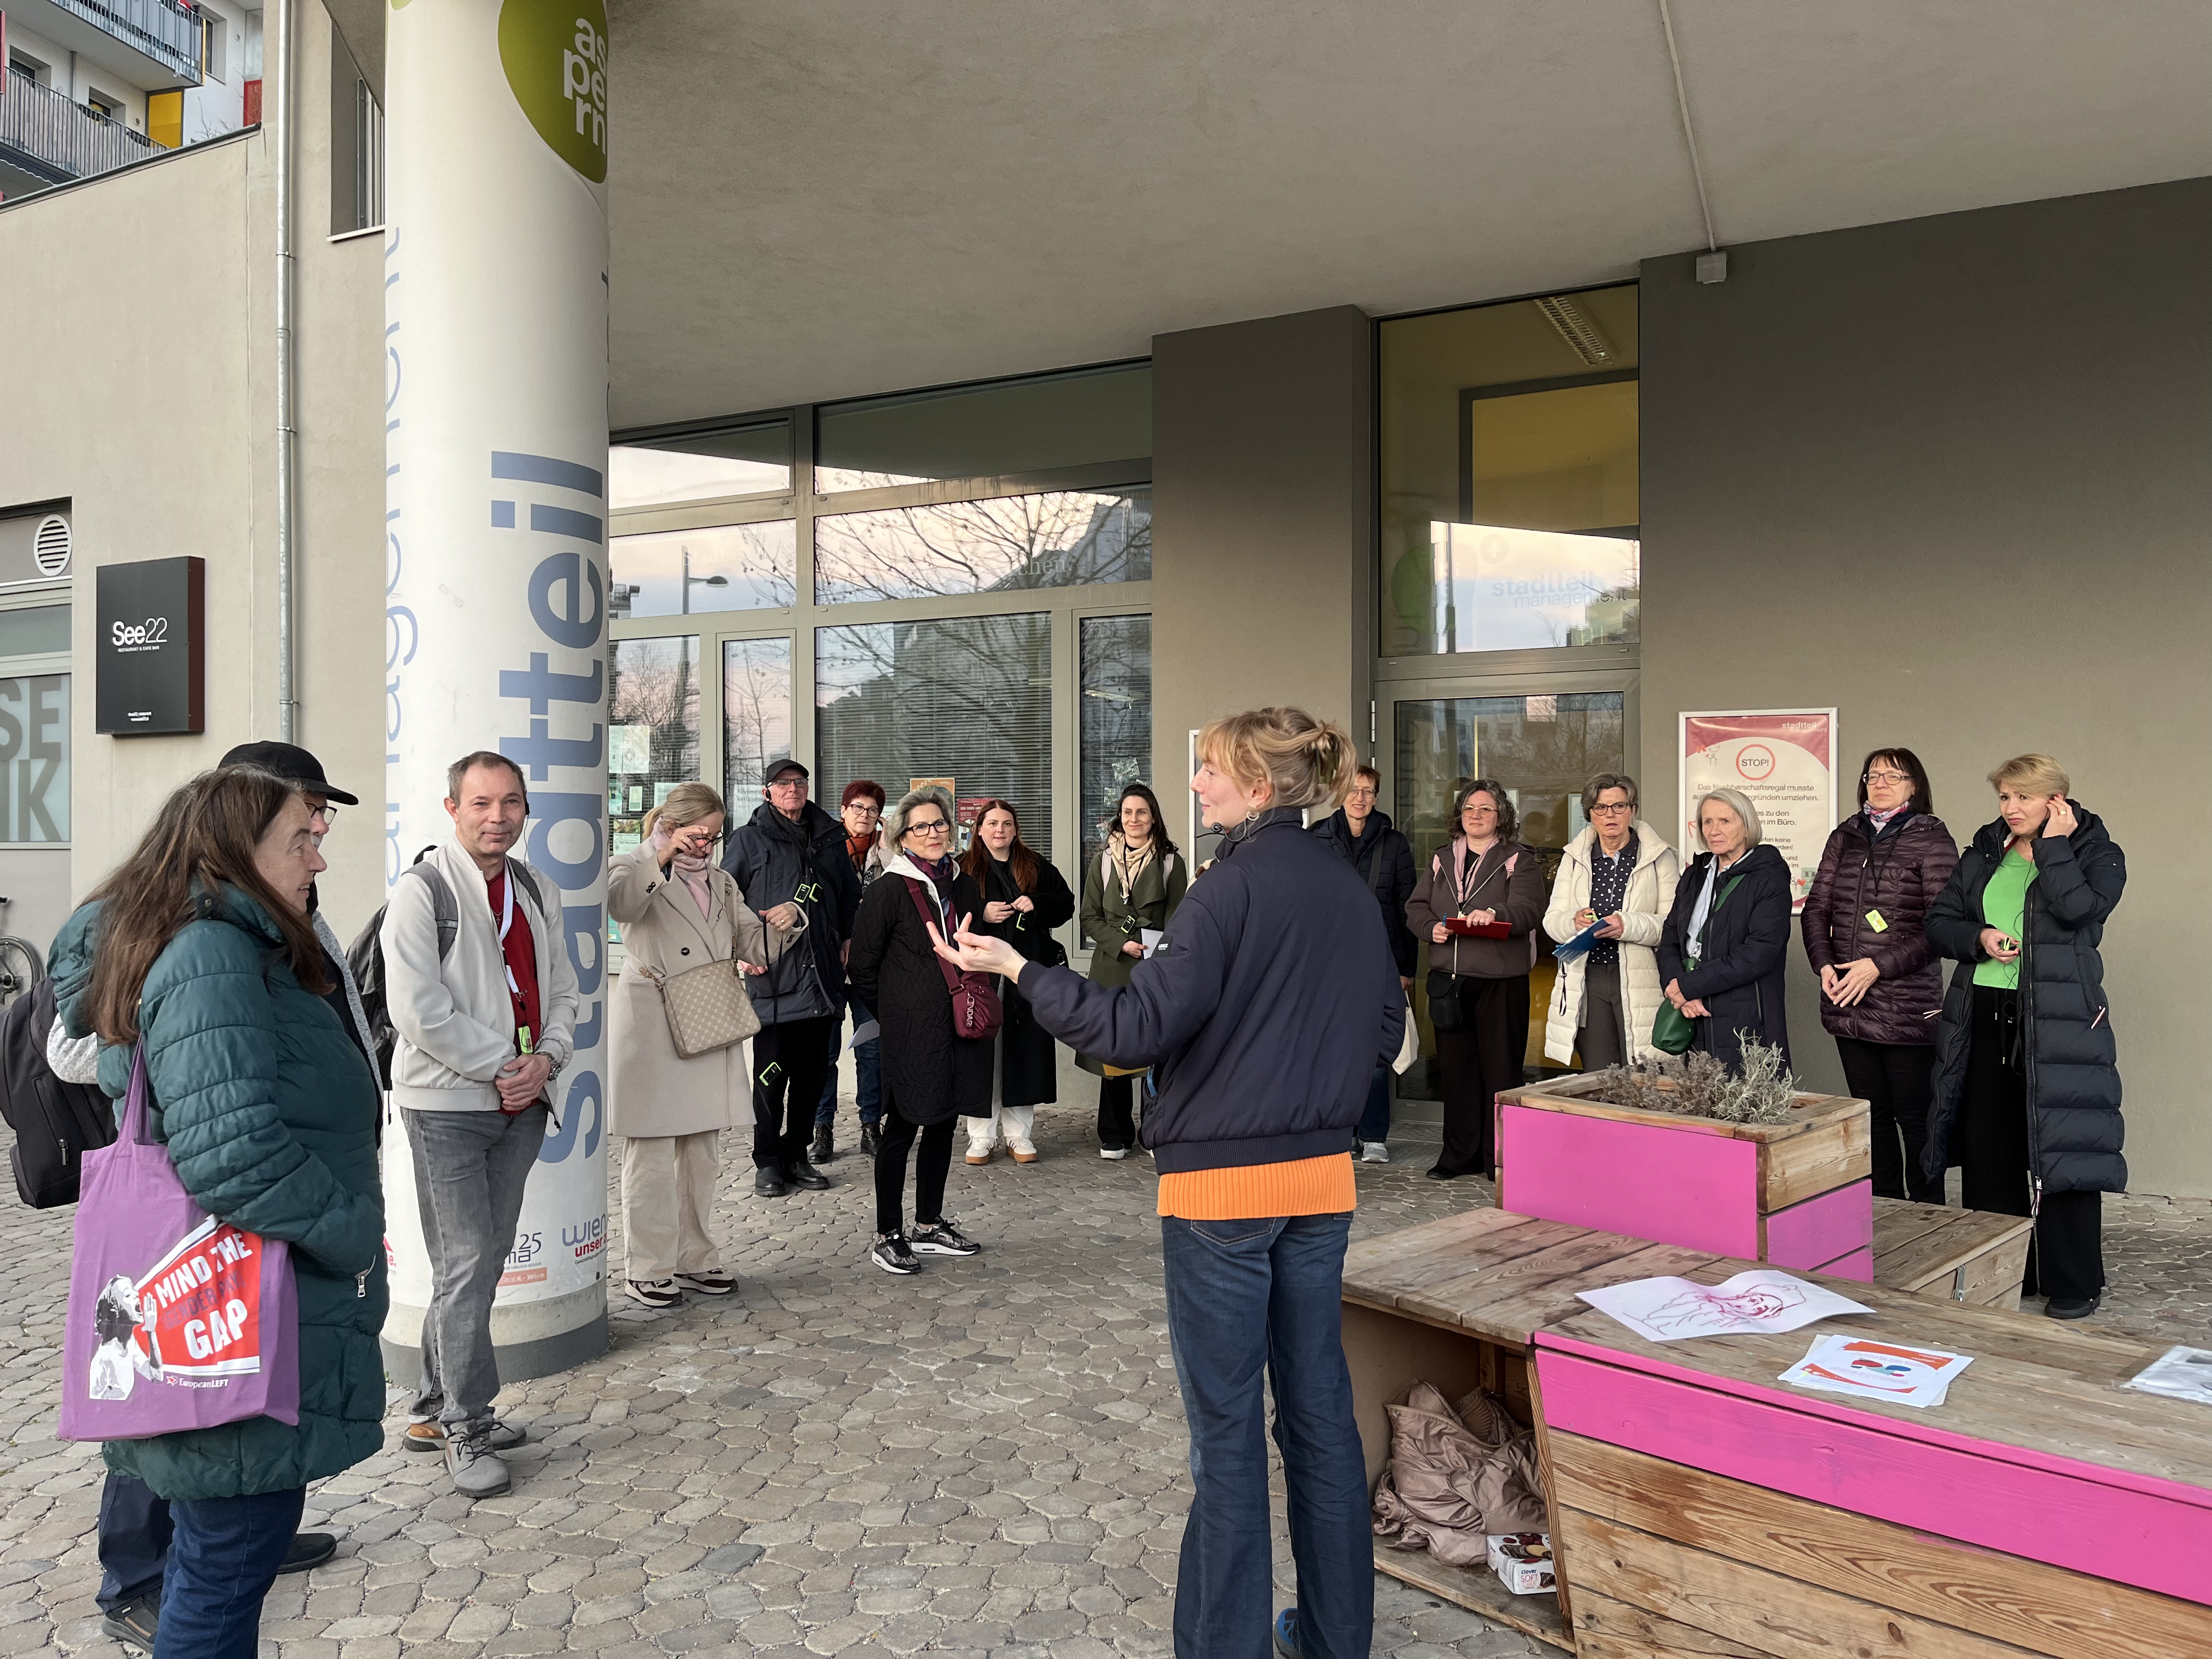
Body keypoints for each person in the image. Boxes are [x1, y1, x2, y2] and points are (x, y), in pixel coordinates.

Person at [937, 706, 1402, 1659]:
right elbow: (1385, 1030)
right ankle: (1330, 1639)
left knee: (1227, 1435)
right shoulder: (1345, 885)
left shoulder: (1224, 888)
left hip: (1222, 1194)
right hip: (1320, 1182)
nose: (1194, 785)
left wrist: (1018, 965)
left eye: (1211, 771)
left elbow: (1130, 1032)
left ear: (1261, 786)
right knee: (1319, 1417)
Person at [48, 767, 386, 1659]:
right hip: (228, 1312)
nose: (319, 854)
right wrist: (348, 1227)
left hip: (245, 1305)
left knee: (225, 1556)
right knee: (223, 1567)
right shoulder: (211, 954)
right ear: (235, 855)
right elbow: (229, 1150)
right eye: (301, 839)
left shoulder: (239, 941)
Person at [382, 751, 579, 1499]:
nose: (497, 817)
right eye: (481, 803)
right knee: (467, 1263)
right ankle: (467, 1424)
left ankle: (438, 1405)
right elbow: (419, 1011)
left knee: (480, 1263)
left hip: (523, 1101)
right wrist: (505, 1062)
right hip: (449, 1107)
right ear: (452, 807)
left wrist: (547, 1060)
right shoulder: (422, 890)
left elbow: (563, 989)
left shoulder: (533, 888)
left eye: (511, 804)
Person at [1923, 755, 2125, 1319]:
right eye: (2004, 798)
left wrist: (2055, 847)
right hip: (1985, 1011)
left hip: (2058, 1015)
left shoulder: (2096, 852)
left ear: (2055, 800)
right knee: (1991, 1149)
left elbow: (2080, 911)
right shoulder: (1987, 849)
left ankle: (2074, 1282)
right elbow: (1939, 921)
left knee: (2063, 1149)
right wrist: (1978, 935)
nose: (2010, 809)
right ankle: (2007, 1272)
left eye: (2022, 798)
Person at [607, 783, 792, 1307]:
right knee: (651, 1148)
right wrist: (662, 855)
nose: (707, 845)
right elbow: (621, 907)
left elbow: (751, 946)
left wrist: (784, 924)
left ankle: (697, 1258)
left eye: (714, 836)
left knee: (702, 1153)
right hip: (653, 1016)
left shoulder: (723, 882)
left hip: (708, 1013)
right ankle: (647, 1267)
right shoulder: (632, 865)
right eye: (700, 834)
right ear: (671, 824)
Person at [1802, 749, 1959, 1202]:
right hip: (1848, 1002)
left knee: (1915, 1120)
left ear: (1915, 785)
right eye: (1873, 776)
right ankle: (1886, 1208)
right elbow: (1816, 910)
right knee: (1871, 1115)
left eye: (1893, 776)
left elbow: (1942, 927)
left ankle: (1929, 1213)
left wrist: (1877, 966)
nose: (1880, 783)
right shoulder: (1845, 837)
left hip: (1906, 1006)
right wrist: (1824, 966)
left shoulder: (1931, 838)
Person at [848, 787, 989, 1274]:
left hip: (958, 1023)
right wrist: (898, 1012)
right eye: (922, 827)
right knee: (902, 1127)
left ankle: (928, 1225)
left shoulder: (964, 884)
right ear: (903, 837)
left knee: (944, 1121)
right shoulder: (889, 889)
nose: (934, 833)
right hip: (911, 1031)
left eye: (940, 824)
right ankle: (888, 1233)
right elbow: (863, 967)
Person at [721, 758, 859, 1197]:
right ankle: (768, 1162)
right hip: (773, 976)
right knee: (771, 1076)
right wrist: (740, 953)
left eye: (799, 783)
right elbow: (725, 902)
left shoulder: (831, 838)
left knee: (812, 1076)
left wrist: (848, 938)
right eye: (782, 784)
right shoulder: (747, 840)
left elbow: (849, 898)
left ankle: (797, 1155)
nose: (792, 790)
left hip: (822, 977)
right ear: (767, 792)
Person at [1404, 779, 1545, 1181]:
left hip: (1501, 980)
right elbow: (1415, 907)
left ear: (1501, 816)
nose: (1476, 816)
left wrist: (1496, 912)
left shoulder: (1520, 859)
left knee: (1501, 1073)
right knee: (1457, 1072)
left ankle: (1498, 1160)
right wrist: (1429, 928)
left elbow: (1529, 910)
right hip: (1450, 980)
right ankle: (1458, 1157)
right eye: (1469, 809)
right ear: (1459, 816)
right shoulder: (1442, 858)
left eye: (1485, 809)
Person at [958, 798, 1077, 1163]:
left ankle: (1018, 1135)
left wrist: (1036, 902)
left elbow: (1067, 905)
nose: (1000, 830)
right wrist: (981, 911)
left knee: (1023, 1050)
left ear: (1016, 829)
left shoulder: (1034, 864)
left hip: (1025, 968)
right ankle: (981, 1136)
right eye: (992, 823)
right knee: (983, 1052)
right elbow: (945, 913)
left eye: (1007, 824)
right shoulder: (964, 868)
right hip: (981, 971)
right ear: (979, 829)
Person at [1542, 773, 1681, 1072]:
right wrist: (1573, 922)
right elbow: (1551, 922)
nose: (1610, 815)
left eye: (1619, 806)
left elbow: (1674, 927)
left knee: (1648, 1075)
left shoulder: (1659, 857)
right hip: (1587, 977)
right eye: (1600, 808)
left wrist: (1626, 925)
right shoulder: (1574, 857)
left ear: (1632, 809)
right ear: (1589, 814)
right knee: (1601, 1076)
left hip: (1641, 976)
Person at [1311, 765, 1415, 1161]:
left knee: (1374, 1053)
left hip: (1380, 960)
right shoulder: (1317, 838)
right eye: (1354, 790)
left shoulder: (1395, 843)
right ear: (1340, 793)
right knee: (1331, 1051)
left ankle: (1373, 1137)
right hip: (1326, 964)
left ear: (1376, 797)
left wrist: (1407, 969)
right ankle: (1339, 1133)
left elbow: (1406, 908)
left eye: (1368, 792)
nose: (1360, 798)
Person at [1077, 782, 1186, 1158]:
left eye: (1141, 812)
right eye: (1127, 813)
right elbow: (1088, 916)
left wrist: (1157, 951)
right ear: (1119, 818)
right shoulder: (1103, 860)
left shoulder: (1172, 862)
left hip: (1154, 967)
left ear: (1153, 817)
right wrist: (1120, 942)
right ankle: (1114, 1132)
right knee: (1115, 1047)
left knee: (1155, 1050)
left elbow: (1177, 918)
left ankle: (1153, 1131)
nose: (1134, 819)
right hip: (1112, 965)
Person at [1658, 787, 1793, 1073]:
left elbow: (1759, 954)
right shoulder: (1695, 875)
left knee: (1747, 1107)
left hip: (1746, 1018)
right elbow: (1671, 937)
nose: (1714, 830)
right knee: (1700, 1106)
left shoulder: (1769, 879)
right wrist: (1676, 988)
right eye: (1707, 821)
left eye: (1725, 821)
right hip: (1693, 1013)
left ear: (1747, 827)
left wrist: (1689, 986)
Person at [814, 780, 888, 1162]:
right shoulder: (823, 848)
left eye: (872, 810)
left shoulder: (887, 853)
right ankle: (821, 1129)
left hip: (872, 967)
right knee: (824, 1054)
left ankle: (871, 1125)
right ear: (842, 811)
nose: (864, 815)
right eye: (857, 808)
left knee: (872, 1050)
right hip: (827, 966)